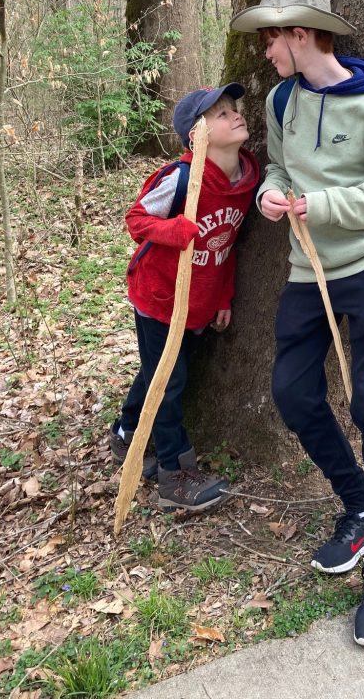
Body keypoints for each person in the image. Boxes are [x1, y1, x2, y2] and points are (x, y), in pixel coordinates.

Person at [231, 0, 364, 648]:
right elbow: (281, 169)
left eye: (273, 38)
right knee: (291, 391)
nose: (266, 50)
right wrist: (271, 195)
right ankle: (361, 503)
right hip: (304, 267)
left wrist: (324, 205)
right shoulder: (281, 99)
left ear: (306, 36)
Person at [109, 84, 259, 512]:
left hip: (200, 300)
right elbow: (136, 218)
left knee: (159, 371)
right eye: (220, 114)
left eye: (235, 109)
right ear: (197, 135)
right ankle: (175, 475)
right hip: (159, 295)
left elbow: (227, 242)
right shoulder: (179, 177)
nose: (234, 116)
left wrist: (224, 296)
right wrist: (172, 231)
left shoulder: (246, 180)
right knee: (169, 382)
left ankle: (126, 432)